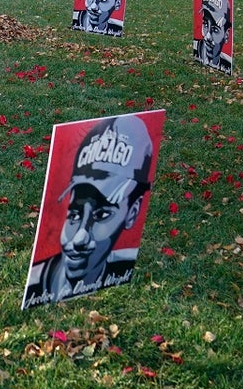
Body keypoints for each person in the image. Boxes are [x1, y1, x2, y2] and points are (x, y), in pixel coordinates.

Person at [23, 115, 154, 308]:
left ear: (132, 212)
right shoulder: (37, 283)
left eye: (101, 215)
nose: (78, 239)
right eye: (74, 215)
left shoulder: (122, 268)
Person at [194, 0, 233, 72]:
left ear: (226, 35)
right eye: (205, 24)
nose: (208, 36)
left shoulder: (227, 64)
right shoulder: (196, 50)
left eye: (215, 29)